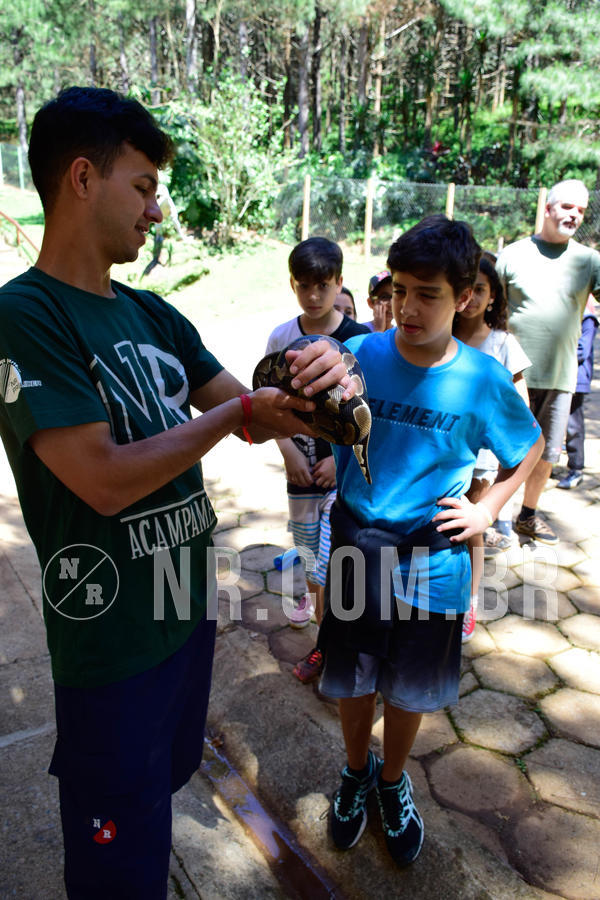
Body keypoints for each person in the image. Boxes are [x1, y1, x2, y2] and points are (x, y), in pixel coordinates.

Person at [0, 87, 356, 900]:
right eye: (143, 187)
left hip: (184, 613)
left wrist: (330, 379)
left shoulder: (152, 314)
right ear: (82, 179)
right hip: (111, 640)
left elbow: (260, 409)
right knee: (114, 862)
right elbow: (102, 479)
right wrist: (237, 416)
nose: (156, 211)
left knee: (153, 803)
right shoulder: (24, 314)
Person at [317, 216, 543, 867]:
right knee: (353, 678)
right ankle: (356, 771)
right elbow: (324, 419)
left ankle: (392, 781)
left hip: (433, 560)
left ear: (465, 297)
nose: (409, 308)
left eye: (428, 294)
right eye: (400, 290)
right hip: (359, 545)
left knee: (409, 686)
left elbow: (528, 446)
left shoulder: (482, 379)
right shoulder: (360, 355)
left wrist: (488, 510)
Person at [264, 237, 370, 684]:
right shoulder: (281, 337)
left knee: (339, 562)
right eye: (304, 285)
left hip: (345, 479)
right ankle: (321, 625)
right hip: (301, 468)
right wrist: (287, 449)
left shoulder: (362, 340)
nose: (312, 295)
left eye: (322, 285)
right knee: (309, 552)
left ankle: (333, 644)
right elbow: (267, 403)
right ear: (292, 284)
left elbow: (369, 416)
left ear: (339, 283)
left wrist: (339, 462)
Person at [496, 179, 600, 544]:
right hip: (510, 376)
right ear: (548, 208)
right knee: (501, 449)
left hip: (560, 375)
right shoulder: (513, 255)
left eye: (581, 210)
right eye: (567, 206)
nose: (574, 215)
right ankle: (493, 517)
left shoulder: (589, 261)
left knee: (546, 453)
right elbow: (488, 308)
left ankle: (527, 515)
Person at [453, 252, 532, 640]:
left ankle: (469, 599)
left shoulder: (503, 343)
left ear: (493, 296)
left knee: (472, 528)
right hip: (444, 450)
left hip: (482, 458)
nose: (471, 299)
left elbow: (521, 407)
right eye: (466, 289)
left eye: (481, 290)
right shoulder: (442, 336)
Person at [557, 295, 599, 489]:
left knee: (573, 425)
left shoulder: (587, 318)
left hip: (576, 378)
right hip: (559, 376)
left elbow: (582, 350)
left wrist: (555, 355)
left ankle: (576, 469)